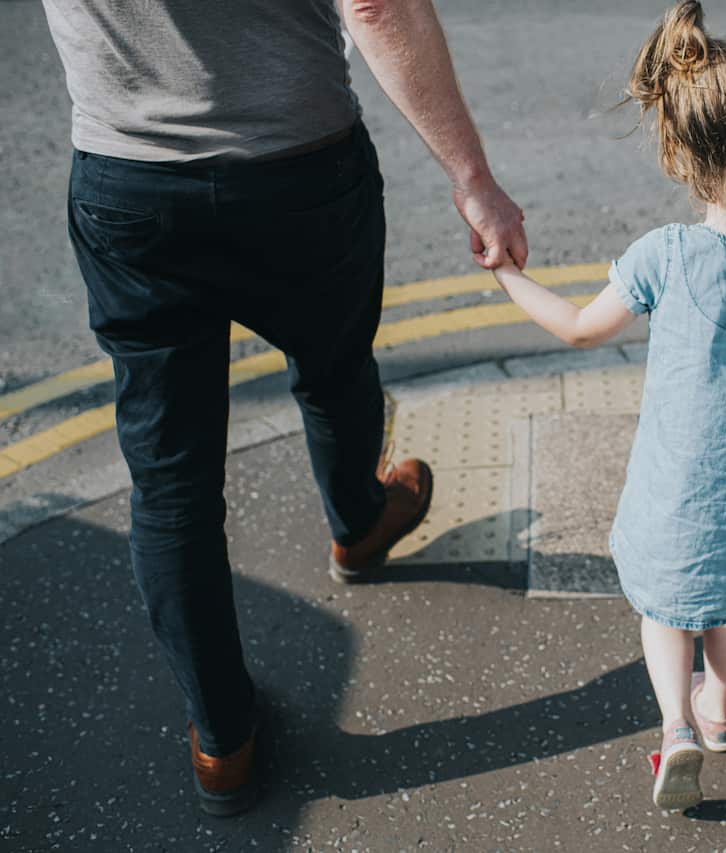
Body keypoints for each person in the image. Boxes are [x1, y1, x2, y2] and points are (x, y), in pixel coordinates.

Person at [38, 0, 526, 815]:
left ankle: (222, 739)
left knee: (170, 482)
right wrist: (473, 181)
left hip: (129, 181)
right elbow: (377, 5)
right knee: (333, 370)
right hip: (298, 170)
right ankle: (359, 522)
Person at [489, 1, 726, 810]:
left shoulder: (666, 253)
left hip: (667, 489)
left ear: (679, 148)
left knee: (665, 609)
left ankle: (674, 732)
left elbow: (584, 329)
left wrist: (509, 276)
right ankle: (718, 708)